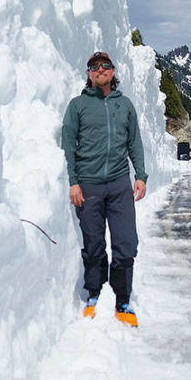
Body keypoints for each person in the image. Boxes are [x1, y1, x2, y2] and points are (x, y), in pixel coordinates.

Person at [61, 50, 147, 327]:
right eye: (94, 67)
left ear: (113, 72)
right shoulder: (77, 106)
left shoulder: (126, 106)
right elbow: (68, 147)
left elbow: (134, 143)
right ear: (88, 74)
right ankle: (94, 293)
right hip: (88, 184)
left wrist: (141, 175)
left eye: (105, 66)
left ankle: (122, 299)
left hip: (120, 183)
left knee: (126, 243)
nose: (100, 70)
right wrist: (73, 181)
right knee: (94, 244)